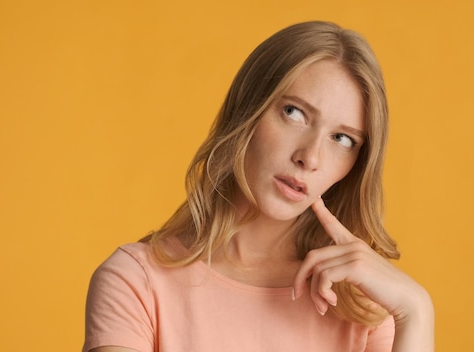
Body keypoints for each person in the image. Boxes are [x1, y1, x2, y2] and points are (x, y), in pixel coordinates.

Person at [83, 21, 435, 352]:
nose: (310, 157)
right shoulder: (137, 282)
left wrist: (416, 310)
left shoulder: (364, 309)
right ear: (247, 110)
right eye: (294, 113)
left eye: (342, 138)